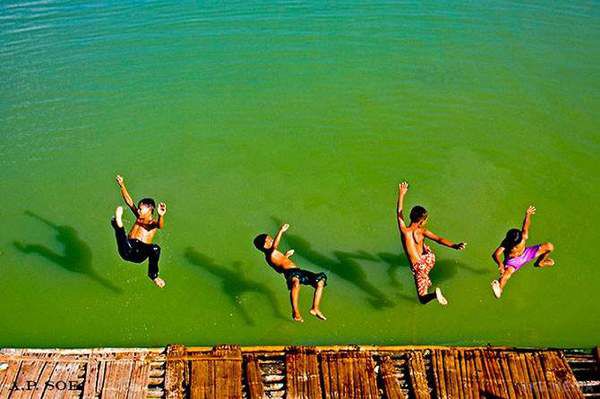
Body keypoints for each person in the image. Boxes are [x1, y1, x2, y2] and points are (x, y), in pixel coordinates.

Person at [396, 181, 466, 305]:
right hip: (429, 259)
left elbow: (399, 213)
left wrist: (401, 194)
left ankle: (434, 294)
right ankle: (426, 279)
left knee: (422, 299)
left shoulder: (404, 231)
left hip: (419, 267)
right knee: (424, 249)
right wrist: (455, 245)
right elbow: (439, 240)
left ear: (411, 216)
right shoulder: (423, 231)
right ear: (422, 221)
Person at [254, 223, 327, 322]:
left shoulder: (273, 254)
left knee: (320, 280)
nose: (272, 240)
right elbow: (275, 247)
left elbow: (279, 267)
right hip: (290, 273)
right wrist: (281, 231)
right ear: (265, 245)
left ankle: (315, 308)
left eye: (271, 238)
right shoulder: (269, 254)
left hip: (298, 271)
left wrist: (286, 256)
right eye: (269, 240)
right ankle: (295, 312)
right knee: (295, 283)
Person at [112, 175, 166, 288]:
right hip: (126, 249)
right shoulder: (139, 217)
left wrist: (161, 216)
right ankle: (118, 224)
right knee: (115, 223)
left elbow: (160, 226)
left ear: (150, 210)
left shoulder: (151, 224)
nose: (138, 210)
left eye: (141, 209)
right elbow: (129, 202)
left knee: (155, 248)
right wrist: (122, 185)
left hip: (138, 254)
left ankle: (154, 276)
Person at [491, 206, 554, 298]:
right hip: (512, 262)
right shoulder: (505, 243)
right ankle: (499, 289)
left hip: (527, 253)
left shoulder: (523, 236)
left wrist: (528, 214)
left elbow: (526, 226)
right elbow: (495, 254)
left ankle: (540, 262)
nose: (515, 246)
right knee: (506, 275)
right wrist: (500, 264)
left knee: (549, 246)